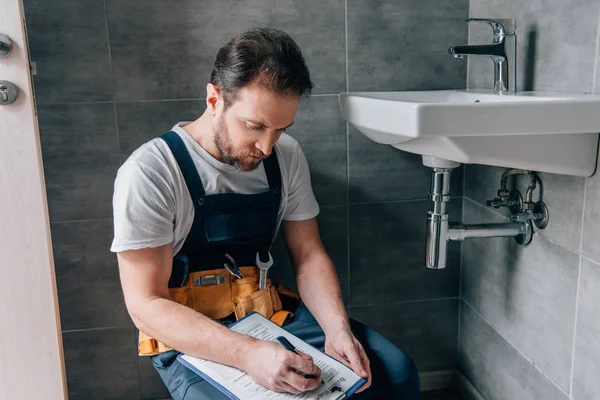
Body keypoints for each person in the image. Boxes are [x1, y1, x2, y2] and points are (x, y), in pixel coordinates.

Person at [111, 27, 420, 400]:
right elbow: (145, 304)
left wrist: (337, 329)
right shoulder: (152, 171)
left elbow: (308, 253)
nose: (267, 146)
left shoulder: (285, 155)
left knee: (395, 374)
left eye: (280, 129)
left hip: (270, 315)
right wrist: (246, 354)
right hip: (191, 336)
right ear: (215, 99)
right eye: (254, 126)